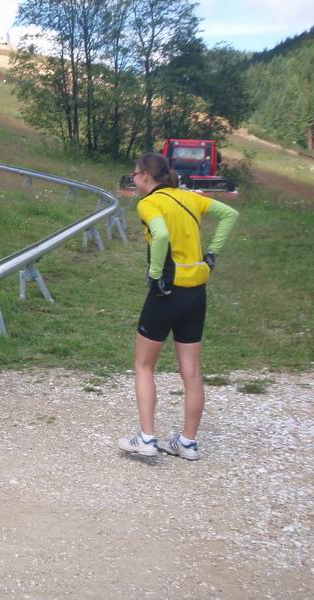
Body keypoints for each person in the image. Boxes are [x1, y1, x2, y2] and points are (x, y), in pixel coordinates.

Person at [118, 152, 238, 461]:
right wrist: (213, 252)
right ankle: (187, 443)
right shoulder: (189, 197)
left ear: (146, 175)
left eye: (135, 173)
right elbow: (229, 214)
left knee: (144, 366)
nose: (133, 178)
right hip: (196, 291)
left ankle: (146, 438)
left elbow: (160, 235)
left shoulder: (149, 203)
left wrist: (155, 273)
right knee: (192, 372)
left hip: (167, 290)